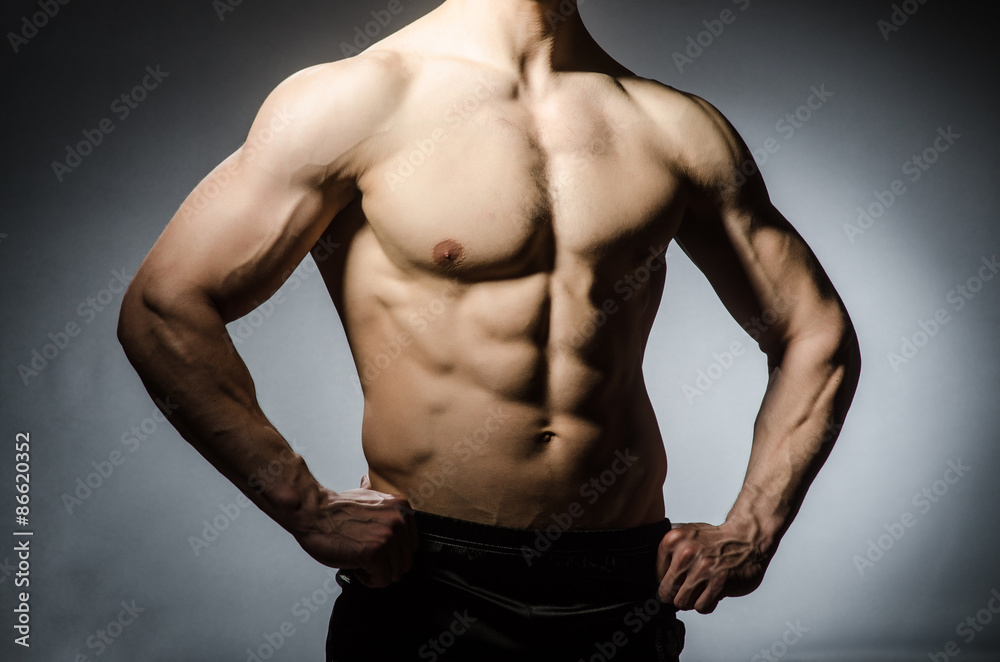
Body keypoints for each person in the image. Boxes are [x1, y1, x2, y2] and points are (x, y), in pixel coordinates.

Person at [117, 0, 862, 660]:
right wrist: (303, 506)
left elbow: (814, 334)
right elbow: (164, 305)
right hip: (430, 575)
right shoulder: (358, 100)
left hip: (622, 576)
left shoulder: (673, 125)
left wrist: (754, 530)